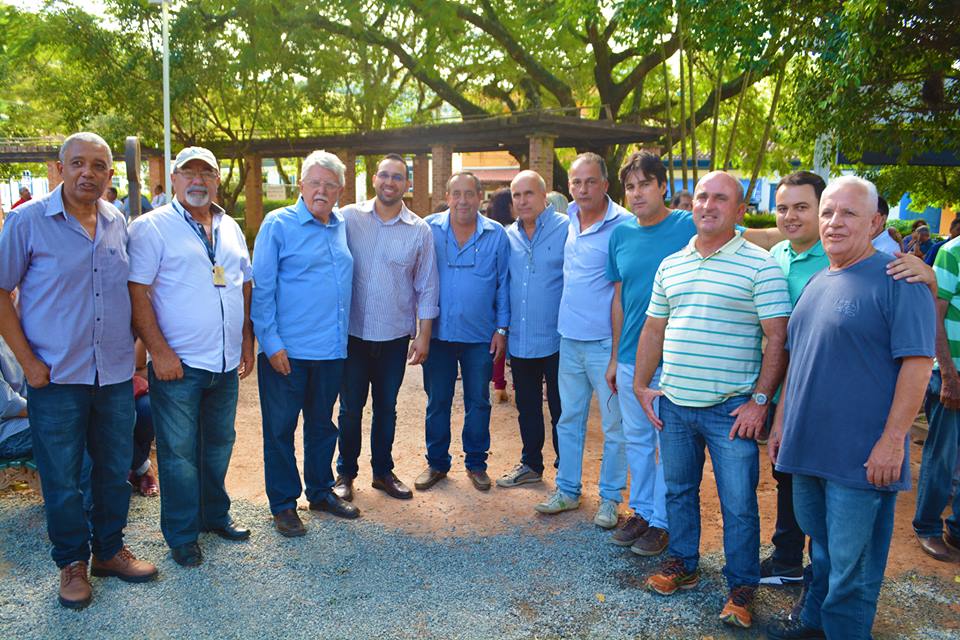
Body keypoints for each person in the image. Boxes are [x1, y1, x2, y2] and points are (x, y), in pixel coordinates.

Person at [766, 176, 936, 640]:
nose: (834, 222)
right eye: (828, 212)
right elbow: (798, 361)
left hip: (862, 458)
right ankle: (816, 625)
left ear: (875, 222)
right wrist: (781, 424)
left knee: (853, 569)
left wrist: (893, 441)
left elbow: (918, 366)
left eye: (848, 213)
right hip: (807, 450)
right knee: (822, 552)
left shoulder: (900, 280)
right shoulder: (819, 280)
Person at [0, 132, 157, 609]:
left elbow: (128, 294)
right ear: (60, 168)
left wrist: (137, 360)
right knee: (63, 476)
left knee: (112, 470)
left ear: (109, 174)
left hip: (112, 377)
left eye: (98, 165)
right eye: (78, 163)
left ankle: (109, 550)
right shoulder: (27, 221)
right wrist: (28, 363)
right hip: (55, 378)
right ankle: (71, 561)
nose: (88, 173)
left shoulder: (116, 221)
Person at [634, 171, 791, 629]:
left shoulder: (760, 266)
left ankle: (742, 586)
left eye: (721, 198)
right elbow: (654, 328)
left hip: (731, 410)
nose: (708, 205)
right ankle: (683, 563)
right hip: (676, 404)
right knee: (678, 491)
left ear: (740, 211)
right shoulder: (672, 264)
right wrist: (642, 385)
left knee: (738, 504)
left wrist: (760, 400)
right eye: (702, 197)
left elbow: (777, 337)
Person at [128, 146, 255, 568]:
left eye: (207, 173)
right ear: (174, 179)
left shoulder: (230, 226)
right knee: (179, 454)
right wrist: (159, 352)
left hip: (224, 363)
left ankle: (214, 516)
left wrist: (246, 340)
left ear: (217, 180)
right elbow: (137, 292)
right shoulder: (152, 227)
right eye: (189, 173)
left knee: (218, 444)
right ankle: (182, 536)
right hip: (177, 365)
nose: (198, 180)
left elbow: (243, 283)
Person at [252, 150, 358, 537]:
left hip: (331, 350)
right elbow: (262, 288)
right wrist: (271, 343)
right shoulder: (278, 224)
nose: (321, 190)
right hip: (288, 352)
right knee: (280, 430)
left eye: (330, 185)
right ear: (300, 185)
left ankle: (320, 492)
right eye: (314, 183)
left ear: (340, 190)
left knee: (321, 426)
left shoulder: (342, 225)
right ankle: (283, 504)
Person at [534, 152, 631, 529]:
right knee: (569, 418)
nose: (583, 189)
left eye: (591, 181)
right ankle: (568, 490)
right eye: (577, 182)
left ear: (606, 184)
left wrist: (619, 353)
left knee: (614, 426)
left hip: (606, 343)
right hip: (569, 340)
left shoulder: (624, 224)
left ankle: (610, 498)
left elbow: (625, 290)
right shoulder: (567, 219)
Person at [605, 151, 694, 557]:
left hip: (674, 359)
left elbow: (748, 236)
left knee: (667, 446)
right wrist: (614, 357)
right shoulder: (621, 235)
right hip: (629, 358)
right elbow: (620, 299)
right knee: (637, 440)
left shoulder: (689, 225)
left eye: (645, 184)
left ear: (663, 186)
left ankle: (663, 522)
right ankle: (641, 511)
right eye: (630, 187)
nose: (637, 193)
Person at [334, 154, 438, 503]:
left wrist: (423, 335)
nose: (390, 182)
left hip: (394, 337)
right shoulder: (348, 218)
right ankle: (345, 474)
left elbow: (427, 286)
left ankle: (382, 472)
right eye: (384, 175)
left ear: (407, 184)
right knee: (350, 409)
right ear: (374, 179)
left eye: (397, 177)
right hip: (352, 335)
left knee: (386, 409)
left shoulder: (419, 230)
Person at [416, 172, 509, 493]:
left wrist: (502, 329)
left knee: (478, 402)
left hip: (480, 337)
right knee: (437, 401)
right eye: (456, 193)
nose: (463, 200)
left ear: (480, 196)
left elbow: (503, 284)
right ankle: (437, 464)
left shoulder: (496, 234)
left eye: (469, 193)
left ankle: (476, 464)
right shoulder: (428, 229)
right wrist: (419, 329)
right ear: (447, 196)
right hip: (438, 336)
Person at [496, 170, 565, 488]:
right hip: (521, 340)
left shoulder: (566, 229)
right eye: (517, 195)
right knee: (527, 407)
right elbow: (502, 284)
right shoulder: (507, 236)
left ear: (543, 196)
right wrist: (503, 329)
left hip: (558, 339)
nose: (523, 201)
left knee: (562, 409)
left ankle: (567, 471)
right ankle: (531, 465)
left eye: (529, 193)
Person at [912, 224, 960, 562]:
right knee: (943, 455)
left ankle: (957, 529)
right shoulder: (952, 252)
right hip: (952, 372)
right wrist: (948, 375)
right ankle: (927, 525)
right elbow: (934, 317)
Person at [485, 188, 514, 403]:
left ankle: (498, 384)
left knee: (496, 339)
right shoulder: (512, 232)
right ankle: (515, 382)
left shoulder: (490, 232)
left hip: (493, 294)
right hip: (512, 293)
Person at [129, 339, 158, 497]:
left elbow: (140, 367)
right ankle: (143, 468)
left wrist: (141, 335)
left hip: (132, 389)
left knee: (147, 409)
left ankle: (136, 467)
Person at [0, 332, 30, 460]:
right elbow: (7, 404)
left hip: (26, 423)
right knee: (74, 427)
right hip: (8, 436)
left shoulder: (9, 336)